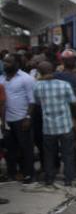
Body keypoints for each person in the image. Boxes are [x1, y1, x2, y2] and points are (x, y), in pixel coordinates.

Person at [32, 61, 76, 189]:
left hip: (48, 126)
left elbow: (37, 103)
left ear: (39, 72)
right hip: (65, 124)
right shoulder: (64, 85)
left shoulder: (37, 86)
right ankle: (69, 179)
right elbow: (74, 102)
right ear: (53, 69)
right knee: (68, 153)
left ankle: (49, 179)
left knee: (49, 154)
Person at [0, 54, 36, 183]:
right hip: (6, 119)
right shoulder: (1, 78)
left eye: (9, 62)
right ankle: (12, 173)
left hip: (21, 118)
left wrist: (28, 117)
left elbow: (32, 100)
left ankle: (28, 174)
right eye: (5, 61)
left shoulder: (26, 78)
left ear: (17, 64)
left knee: (25, 148)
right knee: (10, 149)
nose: (5, 64)